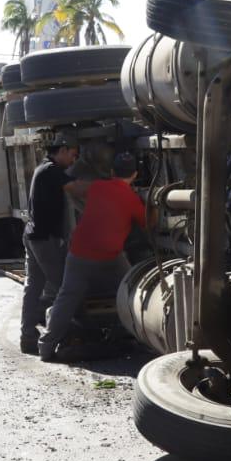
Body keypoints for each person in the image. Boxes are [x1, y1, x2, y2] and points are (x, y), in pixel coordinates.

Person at [39, 153, 146, 361]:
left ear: (112, 172)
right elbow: (149, 224)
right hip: (111, 255)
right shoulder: (132, 199)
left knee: (67, 297)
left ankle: (45, 347)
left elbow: (74, 188)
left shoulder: (97, 187)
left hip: (80, 253)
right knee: (134, 290)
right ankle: (144, 339)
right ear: (135, 174)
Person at [19, 134, 81, 354]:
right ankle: (58, 336)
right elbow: (77, 189)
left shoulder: (42, 168)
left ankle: (27, 336)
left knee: (33, 286)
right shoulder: (51, 171)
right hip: (44, 239)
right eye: (73, 155)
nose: (73, 161)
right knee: (61, 287)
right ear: (62, 150)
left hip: (33, 234)